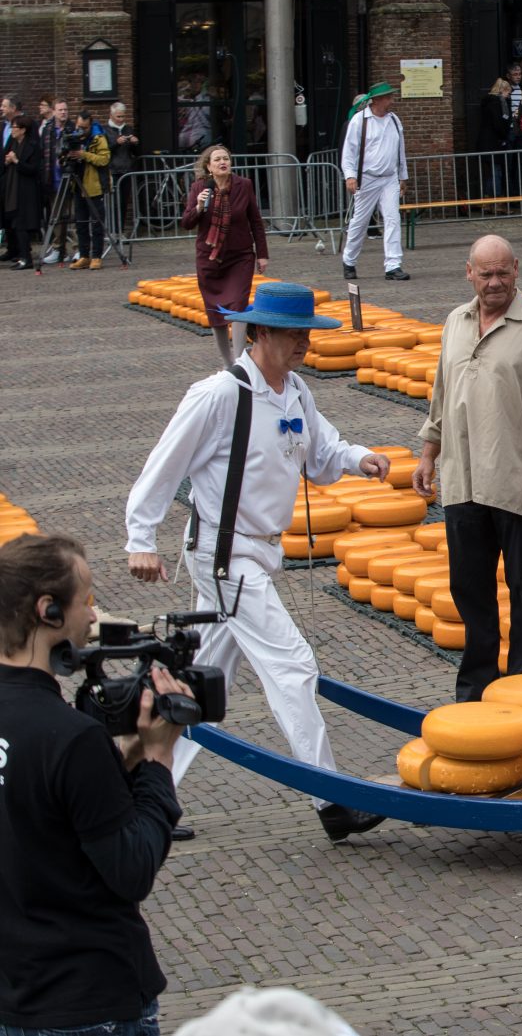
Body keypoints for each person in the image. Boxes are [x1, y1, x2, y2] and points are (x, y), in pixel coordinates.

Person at [124, 282, 390, 844]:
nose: (303, 344)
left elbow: (320, 455)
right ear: (260, 332)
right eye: (294, 334)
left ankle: (136, 800)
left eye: (307, 334)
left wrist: (359, 458)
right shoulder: (219, 395)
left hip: (257, 556)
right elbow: (162, 465)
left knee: (196, 685)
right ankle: (332, 799)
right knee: (293, 667)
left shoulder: (296, 391)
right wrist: (139, 539)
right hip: (225, 559)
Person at [0, 534, 189, 1035]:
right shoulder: (69, 736)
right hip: (88, 1001)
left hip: (13, 997)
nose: (93, 613)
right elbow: (132, 868)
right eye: (86, 599)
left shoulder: (58, 736)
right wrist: (157, 759)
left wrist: (121, 760)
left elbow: (38, 810)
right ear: (48, 610)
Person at [415, 236, 522, 702]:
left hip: (517, 480)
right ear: (469, 273)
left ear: (517, 270)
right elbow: (441, 397)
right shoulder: (454, 323)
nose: (495, 282)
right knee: (470, 589)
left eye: (503, 272)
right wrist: (428, 452)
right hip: (463, 481)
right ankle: (476, 689)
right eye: (485, 274)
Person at [182, 144, 269, 367]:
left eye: (226, 159)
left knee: (238, 306)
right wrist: (200, 206)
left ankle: (240, 360)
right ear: (209, 166)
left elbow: (256, 222)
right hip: (210, 258)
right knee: (216, 312)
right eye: (218, 159)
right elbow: (187, 223)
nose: (223, 162)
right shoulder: (199, 188)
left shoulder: (244, 186)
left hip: (240, 256)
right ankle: (227, 362)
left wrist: (262, 254)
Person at [340, 81, 409, 282]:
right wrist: (350, 176)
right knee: (360, 221)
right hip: (367, 178)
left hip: (389, 178)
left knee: (392, 219)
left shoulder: (394, 120)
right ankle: (349, 260)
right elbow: (349, 152)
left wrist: (402, 176)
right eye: (388, 97)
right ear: (377, 100)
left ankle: (393, 265)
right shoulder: (359, 121)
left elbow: (400, 151)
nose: (392, 101)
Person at [63, 109, 111, 271]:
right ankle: (84, 255)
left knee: (97, 223)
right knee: (81, 223)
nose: (81, 130)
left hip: (93, 187)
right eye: (79, 126)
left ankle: (97, 256)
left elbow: (104, 159)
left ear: (90, 125)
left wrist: (84, 155)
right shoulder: (75, 138)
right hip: (77, 185)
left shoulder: (98, 138)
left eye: (84, 127)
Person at [2, 109, 43, 270]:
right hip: (13, 188)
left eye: (15, 127)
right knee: (15, 224)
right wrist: (7, 162)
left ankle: (27, 258)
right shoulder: (12, 144)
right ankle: (21, 255)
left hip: (26, 191)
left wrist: (17, 161)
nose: (12, 130)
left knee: (22, 224)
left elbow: (33, 169)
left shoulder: (32, 146)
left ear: (23, 130)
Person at [105, 101, 139, 240]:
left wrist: (135, 143)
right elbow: (105, 149)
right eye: (118, 116)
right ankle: (112, 231)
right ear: (111, 115)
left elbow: (136, 152)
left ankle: (120, 231)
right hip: (113, 170)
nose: (121, 119)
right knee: (113, 202)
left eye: (123, 116)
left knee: (124, 202)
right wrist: (115, 143)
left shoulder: (128, 129)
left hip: (126, 170)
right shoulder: (105, 130)